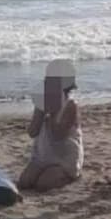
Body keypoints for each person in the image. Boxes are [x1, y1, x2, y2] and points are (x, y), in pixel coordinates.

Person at [18, 60, 84, 192]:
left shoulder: (70, 105)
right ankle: (45, 170)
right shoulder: (43, 103)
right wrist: (39, 110)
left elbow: (58, 134)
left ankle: (70, 176)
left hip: (63, 158)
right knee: (25, 182)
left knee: (43, 184)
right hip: (43, 155)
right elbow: (33, 132)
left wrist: (54, 112)